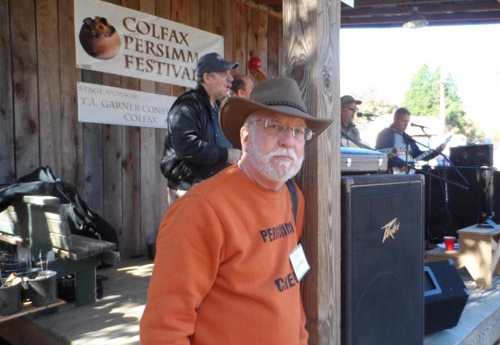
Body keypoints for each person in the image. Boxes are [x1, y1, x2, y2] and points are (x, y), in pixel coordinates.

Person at [140, 77, 332, 345]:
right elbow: (163, 330)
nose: (289, 141)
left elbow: (288, 284)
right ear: (246, 136)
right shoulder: (201, 209)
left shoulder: (293, 198)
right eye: (274, 126)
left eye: (298, 131)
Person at [160, 52, 242, 193]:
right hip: (189, 187)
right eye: (224, 74)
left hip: (212, 185)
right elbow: (186, 147)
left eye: (230, 74)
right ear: (207, 77)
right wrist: (226, 154)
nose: (231, 79)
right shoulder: (186, 106)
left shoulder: (217, 106)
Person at [375, 107, 446, 173]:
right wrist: (400, 164)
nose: (406, 124)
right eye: (403, 121)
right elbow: (380, 154)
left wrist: (437, 151)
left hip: (410, 175)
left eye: (408, 121)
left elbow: (418, 155)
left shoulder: (407, 138)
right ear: (395, 119)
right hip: (392, 175)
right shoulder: (384, 134)